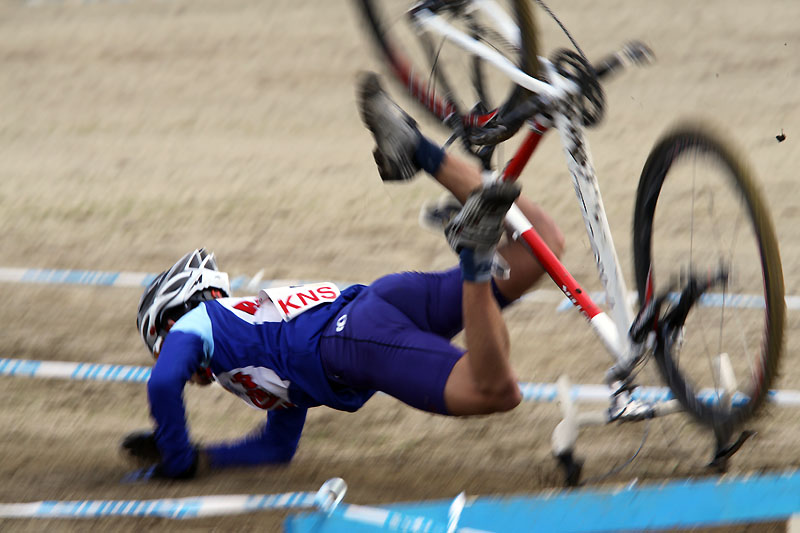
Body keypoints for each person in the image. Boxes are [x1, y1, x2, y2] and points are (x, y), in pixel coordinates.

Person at [121, 73, 564, 480]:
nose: (163, 354)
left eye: (159, 341)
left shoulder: (200, 326)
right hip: (381, 304)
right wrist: (203, 457)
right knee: (542, 245)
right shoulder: (247, 344)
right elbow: (276, 447)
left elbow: (162, 383)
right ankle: (420, 151)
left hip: (356, 339)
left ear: (174, 315)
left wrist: (176, 460)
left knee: (496, 392)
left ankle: (475, 251)